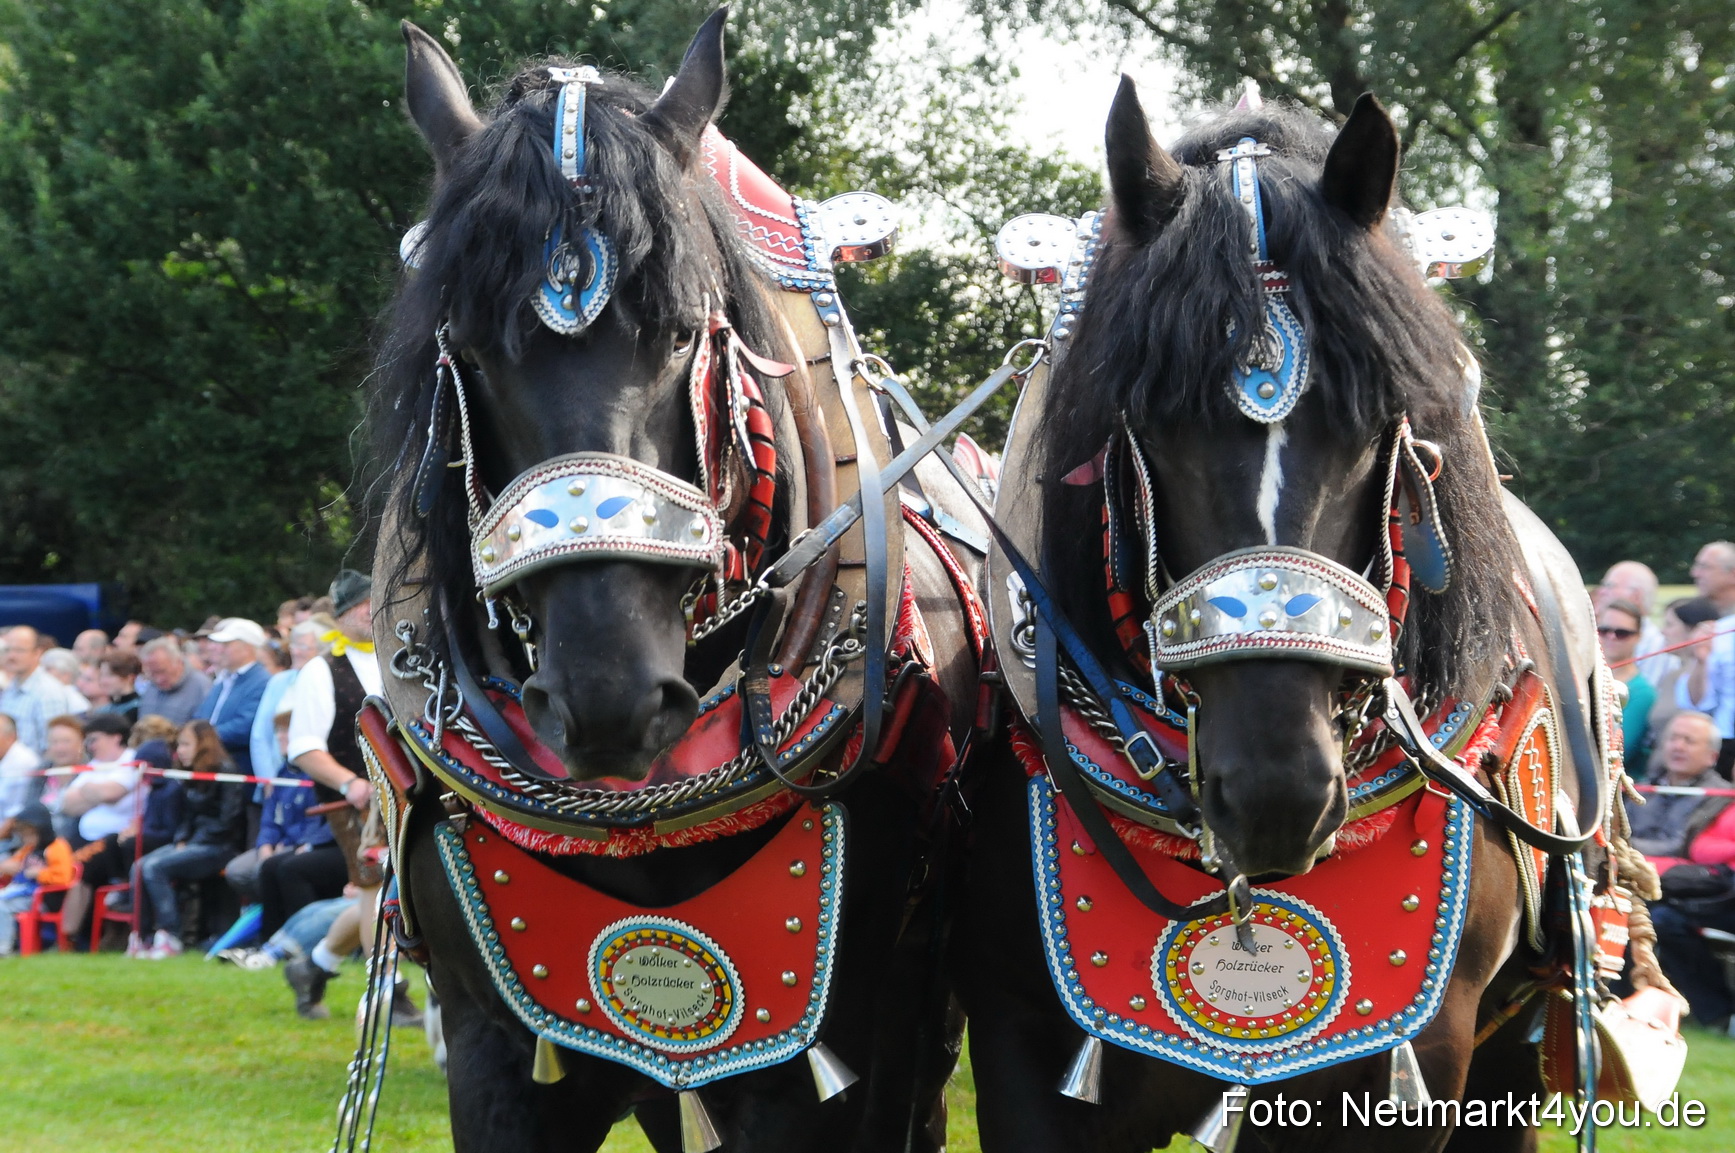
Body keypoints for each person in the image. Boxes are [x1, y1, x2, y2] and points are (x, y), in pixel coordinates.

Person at [283, 569, 384, 1018]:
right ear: (340, 615)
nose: (369, 609)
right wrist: (349, 781)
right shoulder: (321, 671)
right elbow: (303, 747)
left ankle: (315, 966)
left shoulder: (401, 659)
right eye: (360, 604)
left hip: (408, 796)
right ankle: (387, 990)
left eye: (374, 600)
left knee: (375, 895)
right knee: (376, 887)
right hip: (352, 802)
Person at [130, 721, 247, 959]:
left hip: (219, 846)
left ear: (202, 745)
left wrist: (194, 840)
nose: (179, 751)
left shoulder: (226, 772)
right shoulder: (191, 773)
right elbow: (187, 816)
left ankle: (170, 935)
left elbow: (229, 820)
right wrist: (184, 837)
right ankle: (142, 937)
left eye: (184, 745)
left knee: (154, 867)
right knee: (139, 866)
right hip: (195, 842)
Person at [1627, 712, 1731, 866]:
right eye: (1673, 738)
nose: (1678, 746)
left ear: (1712, 756)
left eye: (1689, 741)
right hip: (1627, 861)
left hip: (1677, 878)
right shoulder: (1642, 787)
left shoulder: (1721, 797)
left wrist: (1628, 848)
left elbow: (1684, 846)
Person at [193, 618, 270, 775]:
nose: (219, 649)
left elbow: (246, 726)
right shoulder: (224, 679)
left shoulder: (262, 681)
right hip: (216, 765)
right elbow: (202, 715)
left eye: (227, 645)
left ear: (247, 648)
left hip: (239, 769)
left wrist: (203, 737)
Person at [0, 626, 92, 754]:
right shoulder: (10, 688)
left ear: (37, 653)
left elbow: (51, 747)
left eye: (19, 650)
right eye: (7, 650)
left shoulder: (48, 692)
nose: (11, 656)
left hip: (33, 771)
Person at [1650, 597, 1723, 755]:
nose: (1663, 631)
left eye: (1670, 624)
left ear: (1695, 630)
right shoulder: (1673, 675)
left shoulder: (1711, 677)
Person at [0, 803, 75, 956]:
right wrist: (7, 868)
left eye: (29, 834)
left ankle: (4, 948)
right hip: (26, 895)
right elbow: (13, 864)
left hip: (46, 898)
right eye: (23, 835)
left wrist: (39, 874)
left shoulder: (57, 847)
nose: (26, 839)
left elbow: (64, 877)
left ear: (42, 830)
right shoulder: (29, 849)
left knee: (2, 906)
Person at [1598, 599, 1656, 762]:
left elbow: (1622, 747)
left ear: (1638, 637)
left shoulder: (1643, 692)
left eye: (1622, 633)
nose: (1612, 637)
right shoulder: (1583, 678)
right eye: (1603, 630)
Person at [136, 636, 212, 726]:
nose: (159, 679)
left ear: (178, 662)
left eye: (162, 671)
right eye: (152, 674)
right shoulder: (151, 687)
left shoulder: (201, 686)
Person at [0, 713, 43, 826]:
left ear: (11, 737)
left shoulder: (22, 762)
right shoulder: (4, 757)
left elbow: (14, 817)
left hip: (13, 837)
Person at [97, 649, 143, 726]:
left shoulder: (139, 709)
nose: (103, 681)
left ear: (130, 678)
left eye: (110, 675)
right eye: (101, 675)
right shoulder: (102, 710)